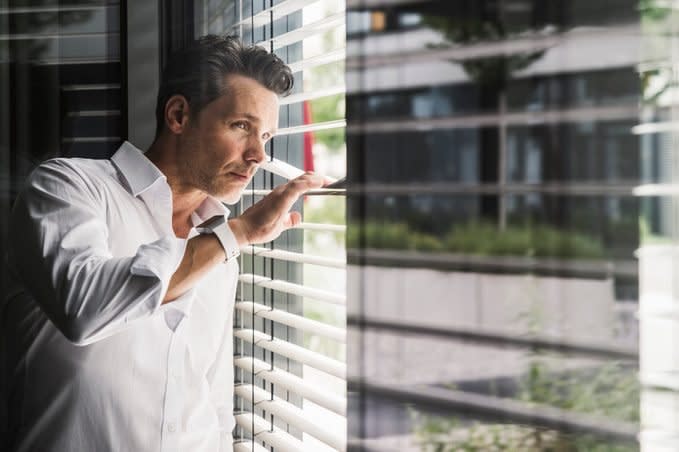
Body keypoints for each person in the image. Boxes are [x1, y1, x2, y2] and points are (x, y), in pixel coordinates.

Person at [0, 35, 323, 452]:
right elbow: (83, 309)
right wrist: (238, 234)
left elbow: (214, 401)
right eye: (242, 126)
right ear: (178, 115)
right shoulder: (66, 187)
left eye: (267, 137)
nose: (259, 154)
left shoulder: (220, 253)